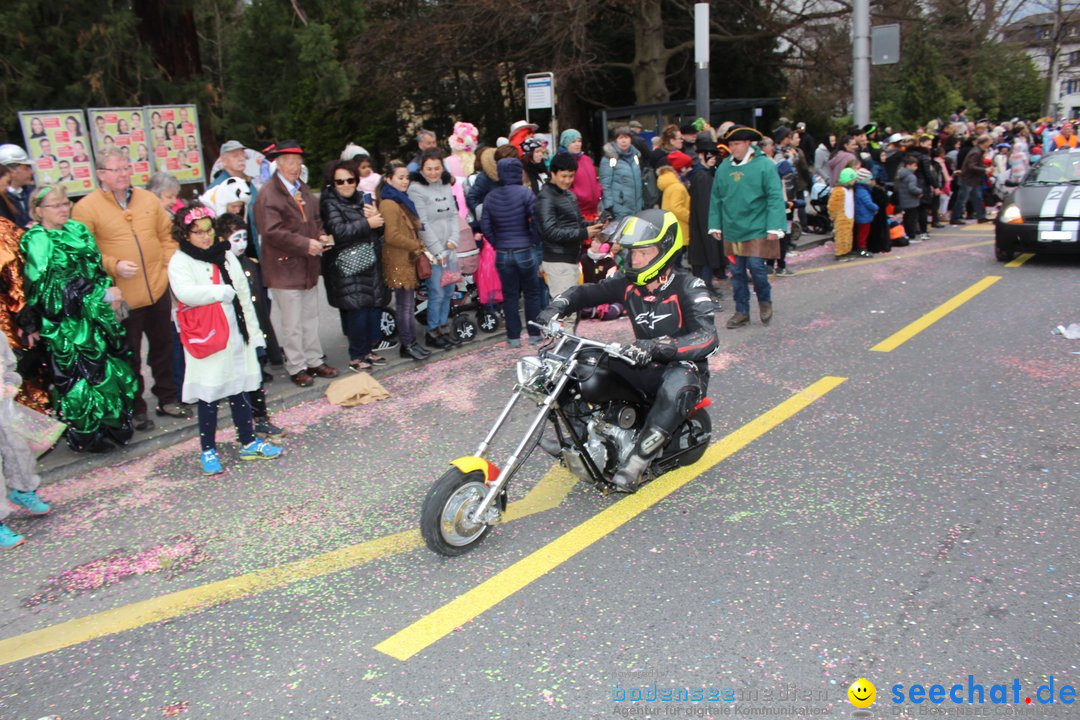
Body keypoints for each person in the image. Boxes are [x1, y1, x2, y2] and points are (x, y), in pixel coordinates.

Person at [536, 209, 717, 491]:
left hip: (682, 369)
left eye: (644, 253)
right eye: (632, 253)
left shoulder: (689, 285)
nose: (635, 260)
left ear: (665, 251)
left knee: (679, 382)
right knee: (579, 360)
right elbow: (585, 293)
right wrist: (556, 307)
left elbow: (707, 337)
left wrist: (658, 347)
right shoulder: (628, 284)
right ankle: (579, 437)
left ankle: (637, 462)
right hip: (643, 365)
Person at [72, 147, 188, 430]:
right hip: (121, 296)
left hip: (157, 287)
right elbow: (84, 253)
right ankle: (136, 406)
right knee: (128, 354)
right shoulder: (86, 208)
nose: (124, 174)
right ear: (101, 174)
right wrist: (113, 265)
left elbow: (167, 235)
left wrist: (165, 266)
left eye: (126, 168)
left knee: (163, 345)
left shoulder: (148, 199)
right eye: (116, 169)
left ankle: (168, 397)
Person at [167, 203, 282, 475]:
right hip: (205, 337)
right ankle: (208, 449)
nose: (205, 237)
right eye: (197, 232)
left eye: (208, 230)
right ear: (185, 234)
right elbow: (185, 293)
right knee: (210, 393)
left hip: (235, 333)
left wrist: (254, 335)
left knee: (239, 387)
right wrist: (220, 291)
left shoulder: (226, 255)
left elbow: (243, 295)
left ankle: (248, 440)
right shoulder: (180, 261)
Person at [21, 185, 137, 452]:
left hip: (96, 318)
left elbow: (95, 267)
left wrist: (109, 294)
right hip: (68, 328)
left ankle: (113, 425)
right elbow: (46, 294)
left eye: (66, 203)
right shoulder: (37, 240)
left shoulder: (78, 230)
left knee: (108, 370)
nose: (64, 209)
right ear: (38, 211)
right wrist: (100, 295)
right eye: (56, 205)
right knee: (78, 377)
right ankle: (89, 433)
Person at [252, 139, 339, 387]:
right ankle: (296, 365)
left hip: (307, 265)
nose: (294, 167)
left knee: (311, 317)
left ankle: (314, 359)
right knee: (292, 323)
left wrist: (321, 235)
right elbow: (271, 231)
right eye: (289, 162)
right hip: (284, 267)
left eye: (298, 162)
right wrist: (305, 244)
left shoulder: (302, 188)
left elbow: (315, 218)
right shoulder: (268, 193)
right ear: (278, 164)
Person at [707, 125, 786, 329]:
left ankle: (764, 300)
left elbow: (775, 196)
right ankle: (741, 312)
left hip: (757, 227)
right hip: (733, 230)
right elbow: (716, 198)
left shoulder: (765, 165)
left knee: (757, 267)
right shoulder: (724, 167)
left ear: (747, 143)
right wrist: (715, 224)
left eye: (737, 144)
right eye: (731, 144)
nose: (734, 148)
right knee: (737, 272)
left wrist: (775, 226)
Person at [321, 159, 390, 370]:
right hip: (347, 266)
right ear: (332, 183)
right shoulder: (329, 202)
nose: (346, 185)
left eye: (350, 180)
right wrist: (366, 223)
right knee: (357, 313)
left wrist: (377, 220)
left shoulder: (364, 198)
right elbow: (338, 231)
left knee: (372, 309)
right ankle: (356, 356)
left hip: (370, 262)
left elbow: (378, 230)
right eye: (340, 181)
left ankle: (368, 350)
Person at [481, 155, 543, 347]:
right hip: (524, 248)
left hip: (502, 251)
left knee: (510, 296)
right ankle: (534, 334)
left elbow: (486, 226)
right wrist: (532, 239)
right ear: (518, 172)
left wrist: (497, 242)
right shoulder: (526, 194)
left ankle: (513, 337)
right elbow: (537, 221)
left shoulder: (491, 196)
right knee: (532, 293)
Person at [537, 152, 603, 326]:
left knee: (571, 311)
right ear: (553, 174)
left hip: (570, 259)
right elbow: (550, 231)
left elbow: (576, 222)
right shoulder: (546, 197)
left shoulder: (568, 195)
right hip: (557, 261)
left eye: (571, 176)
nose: (567, 180)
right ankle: (561, 351)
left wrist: (595, 224)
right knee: (564, 315)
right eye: (563, 176)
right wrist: (583, 233)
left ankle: (566, 350)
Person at [0, 340, 53, 549]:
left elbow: (10, 364)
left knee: (17, 447)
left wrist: (10, 383)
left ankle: (22, 489)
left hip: (3, 406)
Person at [407, 149, 462, 350]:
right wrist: (437, 250)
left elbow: (453, 214)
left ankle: (444, 327)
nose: (433, 172)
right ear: (421, 169)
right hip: (433, 249)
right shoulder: (416, 189)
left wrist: (455, 239)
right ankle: (433, 330)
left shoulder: (446, 184)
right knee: (436, 291)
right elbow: (423, 223)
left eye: (437, 168)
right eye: (428, 169)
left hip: (450, 246)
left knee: (448, 290)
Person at [377, 160, 430, 362]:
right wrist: (415, 245)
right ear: (388, 179)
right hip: (398, 259)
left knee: (407, 304)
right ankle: (407, 344)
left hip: (406, 258)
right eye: (400, 177)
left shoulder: (400, 200)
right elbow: (392, 235)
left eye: (407, 177)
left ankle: (411, 343)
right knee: (404, 305)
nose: (405, 181)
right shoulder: (389, 203)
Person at [687, 139, 725, 295]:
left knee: (704, 255)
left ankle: (706, 285)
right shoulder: (703, 176)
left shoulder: (703, 175)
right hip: (704, 222)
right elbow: (705, 205)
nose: (714, 158)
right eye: (711, 155)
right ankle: (705, 287)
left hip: (703, 222)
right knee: (704, 254)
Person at [599, 127, 644, 220]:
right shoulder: (609, 158)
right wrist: (609, 207)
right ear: (616, 140)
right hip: (619, 207)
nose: (624, 141)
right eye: (620, 138)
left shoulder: (635, 156)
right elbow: (605, 184)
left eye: (626, 137)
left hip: (637, 206)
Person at [657, 151, 693, 265]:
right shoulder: (677, 187)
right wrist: (690, 217)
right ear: (682, 169)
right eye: (688, 167)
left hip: (673, 225)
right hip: (680, 226)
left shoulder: (671, 185)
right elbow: (676, 208)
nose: (690, 169)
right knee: (677, 255)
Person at [559, 129, 602, 221]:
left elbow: (595, 179)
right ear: (566, 144)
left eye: (579, 141)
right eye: (573, 142)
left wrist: (599, 190)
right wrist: (579, 196)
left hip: (593, 211)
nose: (577, 144)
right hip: (577, 212)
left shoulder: (586, 159)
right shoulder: (562, 161)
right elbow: (562, 186)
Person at [951, 134, 991, 225]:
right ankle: (955, 217)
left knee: (977, 198)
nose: (990, 143)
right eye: (989, 141)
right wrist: (985, 169)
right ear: (985, 142)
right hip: (968, 178)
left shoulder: (978, 151)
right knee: (962, 199)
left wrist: (984, 167)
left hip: (972, 179)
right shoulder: (976, 152)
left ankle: (981, 216)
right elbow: (971, 166)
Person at [0, 144, 35, 228]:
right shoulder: (2, 199)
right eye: (26, 167)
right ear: (11, 169)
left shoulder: (33, 193)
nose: (32, 172)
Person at [829, 167, 858, 257]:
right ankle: (840, 252)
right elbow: (832, 205)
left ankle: (847, 250)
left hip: (849, 216)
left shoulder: (850, 190)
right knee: (841, 234)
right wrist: (833, 215)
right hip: (842, 217)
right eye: (853, 179)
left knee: (848, 234)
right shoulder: (839, 190)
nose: (854, 181)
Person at [895, 155, 924, 243]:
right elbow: (912, 188)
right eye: (914, 165)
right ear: (908, 165)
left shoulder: (899, 173)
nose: (916, 167)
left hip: (902, 200)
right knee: (911, 219)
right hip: (911, 201)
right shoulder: (911, 176)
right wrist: (920, 191)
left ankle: (905, 234)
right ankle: (911, 235)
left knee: (905, 219)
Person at [853, 167, 879, 257]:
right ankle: (862, 250)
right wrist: (876, 208)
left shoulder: (858, 189)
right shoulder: (863, 191)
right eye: (869, 180)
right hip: (864, 217)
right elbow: (868, 203)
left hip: (861, 216)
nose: (870, 182)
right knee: (863, 235)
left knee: (861, 234)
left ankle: (861, 249)